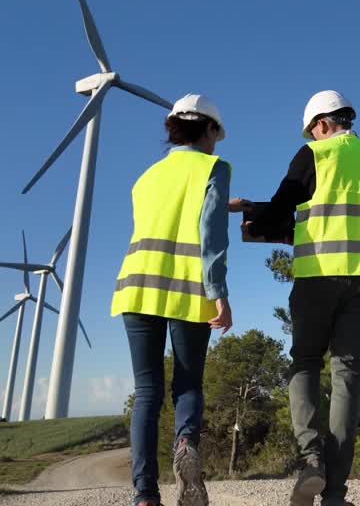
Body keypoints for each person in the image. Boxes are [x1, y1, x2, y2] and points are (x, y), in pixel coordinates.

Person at [230, 90, 360, 506]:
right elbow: (332, 211)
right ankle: (335, 494)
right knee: (347, 379)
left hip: (319, 275)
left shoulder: (314, 155)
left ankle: (311, 459)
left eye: (312, 131)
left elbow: (284, 206)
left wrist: (247, 211)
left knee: (304, 362)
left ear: (320, 124)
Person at [112, 94, 234, 506]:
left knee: (147, 392)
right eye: (218, 133)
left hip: (137, 287)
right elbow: (210, 234)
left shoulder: (146, 177)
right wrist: (220, 294)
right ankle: (185, 445)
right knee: (187, 385)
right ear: (210, 130)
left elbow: (170, 216)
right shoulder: (213, 168)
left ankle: (144, 494)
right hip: (186, 290)